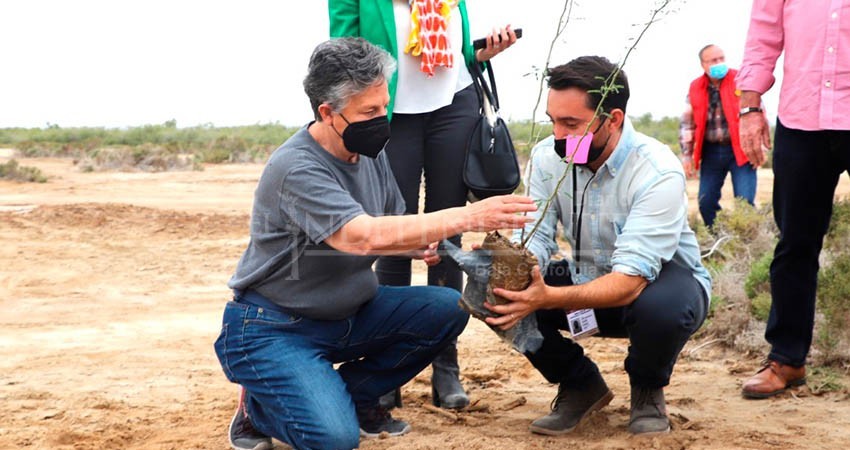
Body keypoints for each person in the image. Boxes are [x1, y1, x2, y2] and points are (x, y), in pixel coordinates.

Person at [213, 37, 536, 450]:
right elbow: (361, 236)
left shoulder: (368, 152)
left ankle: (354, 395)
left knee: (446, 309)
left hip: (350, 312)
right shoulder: (297, 167)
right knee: (333, 439)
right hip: (276, 325)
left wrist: (415, 246)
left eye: (384, 106)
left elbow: (386, 227)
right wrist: (470, 216)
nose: (382, 120)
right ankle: (258, 407)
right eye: (369, 112)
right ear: (327, 112)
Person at [482, 56, 712, 436]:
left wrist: (546, 297)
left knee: (661, 309)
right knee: (491, 292)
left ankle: (647, 389)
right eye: (553, 121)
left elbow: (631, 281)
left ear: (613, 119)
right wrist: (515, 270)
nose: (558, 135)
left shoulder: (656, 171)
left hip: (655, 287)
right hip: (586, 276)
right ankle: (579, 383)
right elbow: (537, 236)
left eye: (571, 124)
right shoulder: (547, 157)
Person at [329, 0, 519, 410]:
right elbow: (341, 55)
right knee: (396, 236)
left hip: (454, 106)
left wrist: (482, 52)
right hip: (390, 113)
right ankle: (388, 366)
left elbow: (459, 50)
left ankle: (445, 365)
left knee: (448, 237)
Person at [737, 0, 850, 399]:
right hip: (802, 117)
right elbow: (763, 36)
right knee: (795, 246)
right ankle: (787, 359)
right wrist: (750, 108)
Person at [679, 44, 763, 228]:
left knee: (745, 203)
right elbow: (687, 124)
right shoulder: (695, 88)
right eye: (713, 60)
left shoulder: (740, 80)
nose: (719, 63)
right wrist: (687, 155)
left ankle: (748, 239)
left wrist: (759, 147)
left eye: (721, 58)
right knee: (706, 203)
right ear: (703, 65)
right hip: (711, 153)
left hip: (741, 150)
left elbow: (758, 114)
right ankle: (720, 236)